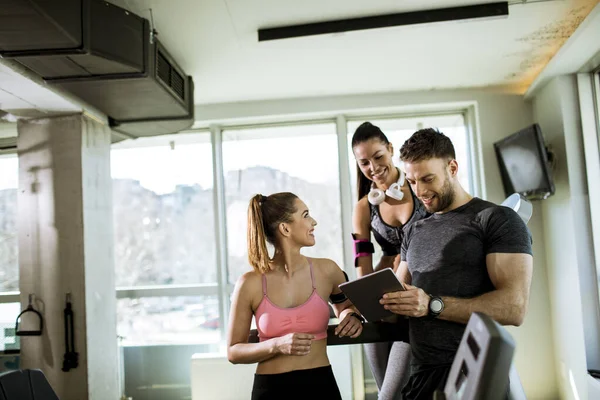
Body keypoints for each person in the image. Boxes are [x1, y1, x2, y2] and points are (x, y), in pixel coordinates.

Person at [380, 128, 533, 400]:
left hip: (472, 374)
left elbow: (514, 308)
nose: (421, 191)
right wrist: (359, 308)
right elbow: (399, 294)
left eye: (428, 178)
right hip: (420, 376)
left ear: (452, 167)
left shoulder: (497, 220)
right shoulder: (415, 230)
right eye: (412, 181)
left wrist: (431, 304)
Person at [227, 192, 364, 400]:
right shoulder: (250, 283)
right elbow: (233, 352)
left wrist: (351, 316)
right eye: (306, 215)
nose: (314, 222)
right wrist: (276, 344)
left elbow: (346, 307)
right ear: (285, 228)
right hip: (270, 390)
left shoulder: (327, 270)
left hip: (321, 385)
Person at [351, 122, 429, 399]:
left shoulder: (421, 189)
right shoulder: (363, 207)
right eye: (364, 163)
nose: (373, 167)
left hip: (419, 299)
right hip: (383, 304)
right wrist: (364, 298)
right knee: (388, 392)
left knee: (392, 394)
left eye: (378, 157)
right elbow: (362, 262)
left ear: (391, 150)